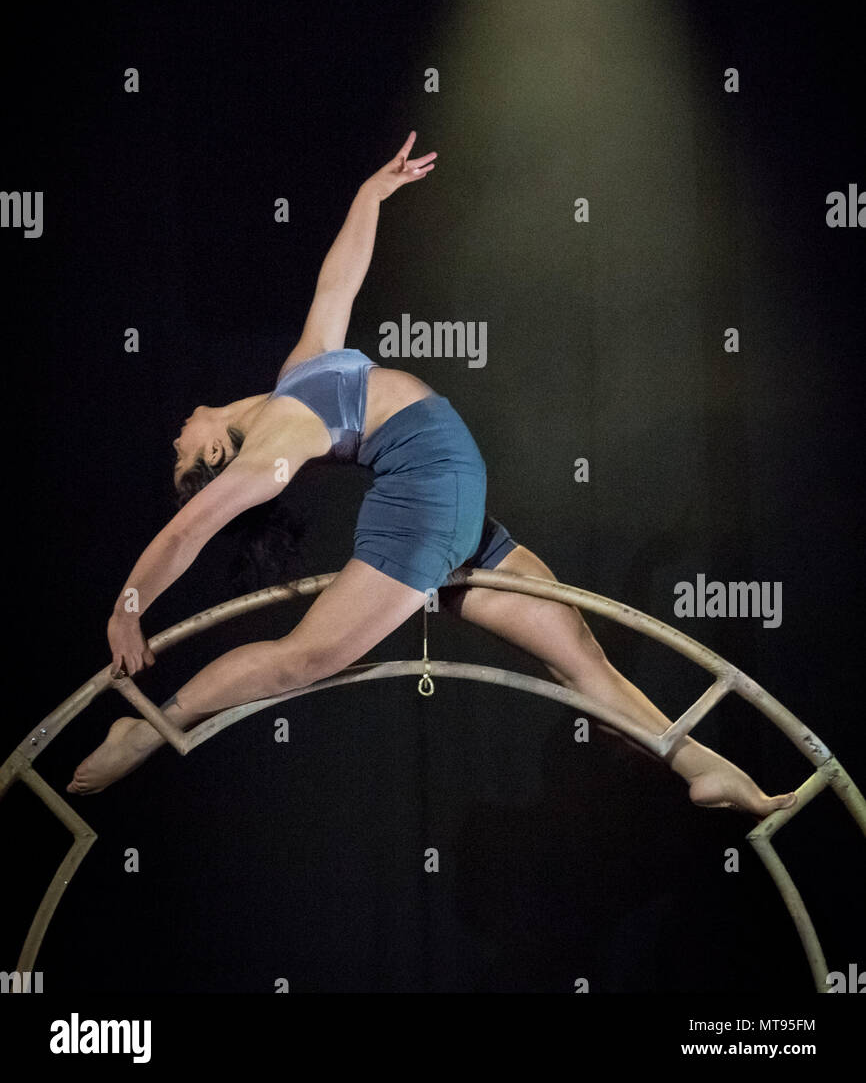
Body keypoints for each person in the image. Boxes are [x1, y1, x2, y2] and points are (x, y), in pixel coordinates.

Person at [67, 132, 796, 817]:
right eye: (181, 454)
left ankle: (695, 759)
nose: (175, 437)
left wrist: (369, 197)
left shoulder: (293, 383)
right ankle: (149, 731)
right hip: (428, 499)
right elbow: (190, 527)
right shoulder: (271, 450)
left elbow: (335, 288)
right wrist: (127, 607)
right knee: (303, 659)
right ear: (217, 456)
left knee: (577, 653)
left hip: (451, 499)